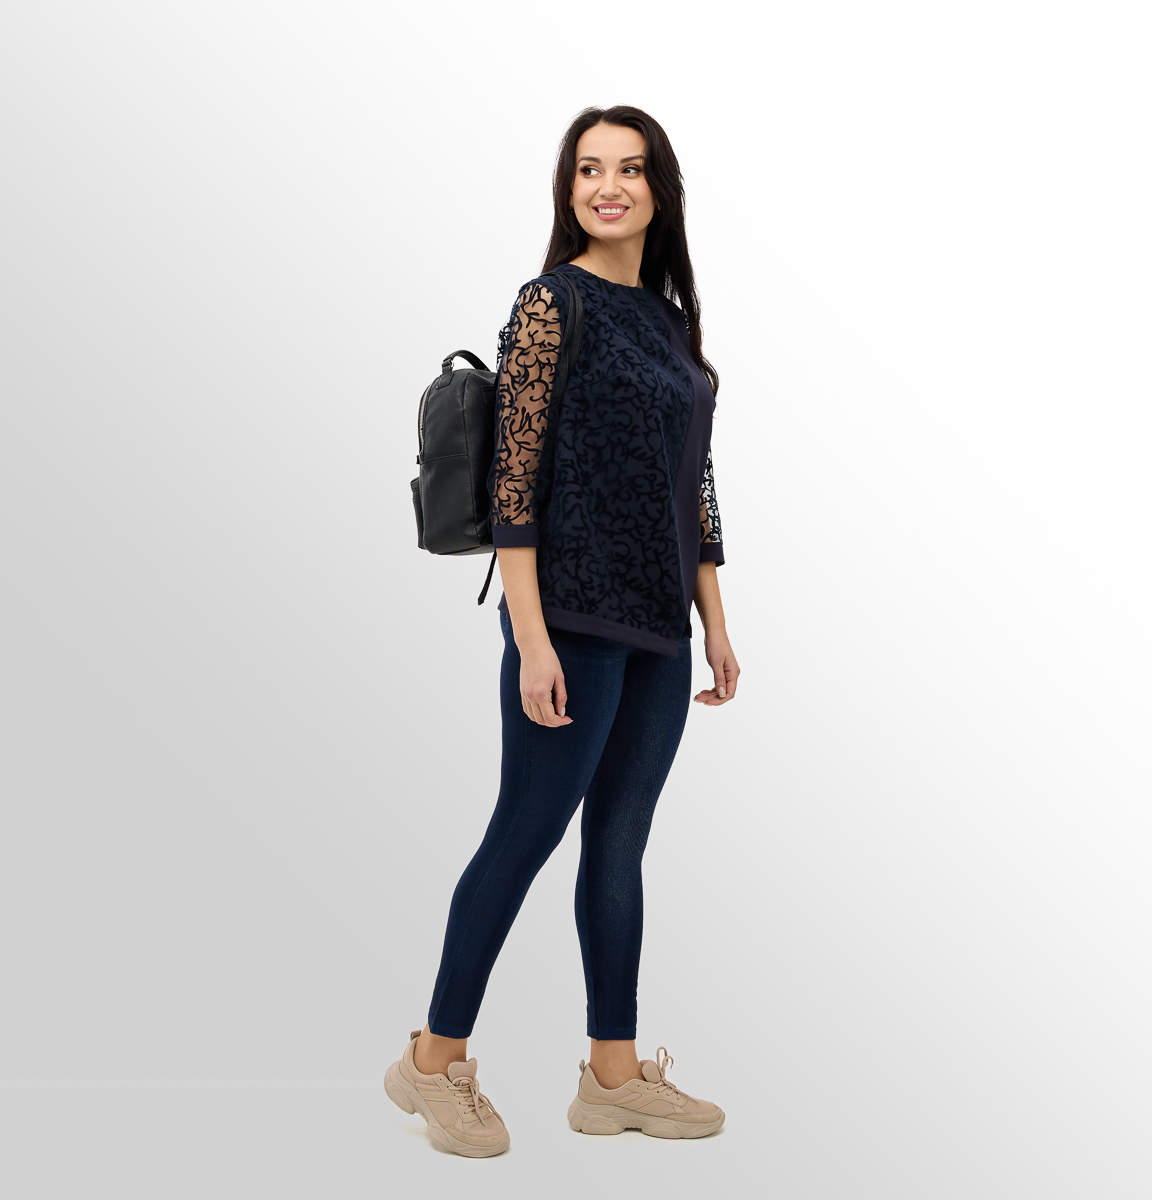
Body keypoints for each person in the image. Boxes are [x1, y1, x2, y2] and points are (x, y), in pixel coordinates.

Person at [385, 105, 740, 1157]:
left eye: (629, 169)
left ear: (659, 191)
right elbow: (514, 479)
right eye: (589, 169)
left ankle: (613, 1079)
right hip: (571, 619)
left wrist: (716, 622)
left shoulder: (670, 322)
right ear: (569, 189)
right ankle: (432, 1061)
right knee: (525, 833)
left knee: (620, 844)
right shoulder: (552, 302)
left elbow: (697, 485)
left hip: (660, 630)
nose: (607, 187)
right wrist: (531, 640)